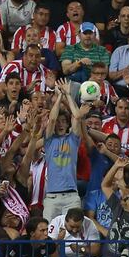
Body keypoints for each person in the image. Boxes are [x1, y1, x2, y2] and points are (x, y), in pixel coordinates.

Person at [43, 79, 82, 222]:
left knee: (72, 235)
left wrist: (68, 95)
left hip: (72, 196)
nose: (60, 124)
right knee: (47, 235)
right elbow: (51, 120)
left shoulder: (73, 139)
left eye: (64, 121)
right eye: (58, 121)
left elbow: (77, 116)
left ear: (67, 125)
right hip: (52, 197)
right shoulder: (49, 140)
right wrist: (59, 96)